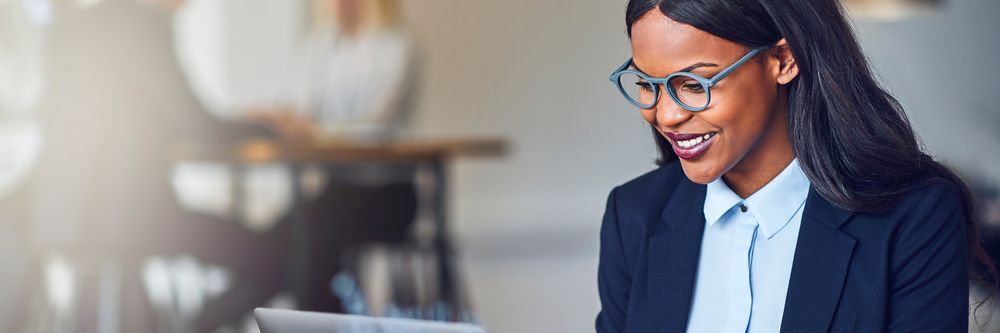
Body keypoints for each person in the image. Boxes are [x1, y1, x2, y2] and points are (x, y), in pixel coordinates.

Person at [596, 0, 998, 332]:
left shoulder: (912, 217)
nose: (665, 116)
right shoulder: (633, 215)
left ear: (783, 59)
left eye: (694, 85)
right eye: (648, 85)